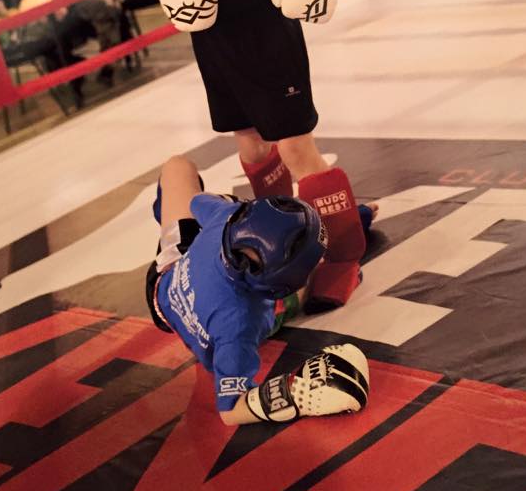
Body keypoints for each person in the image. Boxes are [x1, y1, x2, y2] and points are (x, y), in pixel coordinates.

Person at [112, 0, 371, 313]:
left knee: (296, 149)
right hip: (215, 43)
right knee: (251, 148)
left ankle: (344, 254)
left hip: (269, 28)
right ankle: (292, 229)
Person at [146, 153, 371, 424]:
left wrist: (244, 210)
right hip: (207, 312)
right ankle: (330, 243)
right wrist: (297, 395)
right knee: (312, 277)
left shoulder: (225, 216)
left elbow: (198, 202)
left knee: (177, 167)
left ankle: (322, 235)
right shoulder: (240, 324)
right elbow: (231, 411)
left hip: (171, 269)